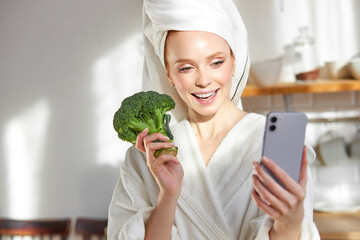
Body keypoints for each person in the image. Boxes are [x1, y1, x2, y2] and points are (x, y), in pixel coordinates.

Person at [107, 0, 320, 239]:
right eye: (186, 68)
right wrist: (167, 197)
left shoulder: (272, 145)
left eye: (216, 62)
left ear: (233, 61)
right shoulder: (144, 157)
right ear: (168, 73)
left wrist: (290, 225)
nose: (203, 80)